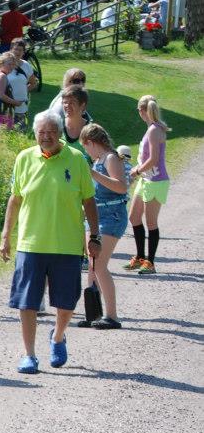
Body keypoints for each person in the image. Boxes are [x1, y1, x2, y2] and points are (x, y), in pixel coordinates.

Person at [0, 110, 101, 374]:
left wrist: (95, 236)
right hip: (30, 244)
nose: (46, 137)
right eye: (41, 133)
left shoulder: (76, 159)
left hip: (66, 244)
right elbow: (15, 199)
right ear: (35, 134)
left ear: (60, 134)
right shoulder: (24, 158)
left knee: (66, 303)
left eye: (51, 132)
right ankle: (29, 355)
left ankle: (57, 336)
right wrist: (6, 235)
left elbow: (89, 200)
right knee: (27, 302)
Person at [78, 123, 127, 329]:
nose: (86, 151)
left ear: (91, 142)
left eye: (85, 146)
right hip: (97, 217)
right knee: (92, 265)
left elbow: (121, 186)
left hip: (112, 217)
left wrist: (93, 173)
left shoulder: (110, 158)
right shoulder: (98, 160)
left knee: (99, 265)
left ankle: (112, 316)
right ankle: (93, 314)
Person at [126, 94, 170, 274]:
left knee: (151, 223)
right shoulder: (152, 128)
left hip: (156, 182)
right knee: (134, 217)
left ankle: (150, 263)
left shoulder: (154, 130)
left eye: (138, 110)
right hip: (146, 179)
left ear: (142, 110)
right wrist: (138, 169)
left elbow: (153, 159)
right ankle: (140, 257)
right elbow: (148, 159)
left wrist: (136, 170)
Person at [7, 38, 38, 129]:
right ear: (11, 50)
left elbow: (33, 83)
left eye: (20, 50)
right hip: (5, 106)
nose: (18, 52)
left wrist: (24, 91)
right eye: (16, 49)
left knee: (20, 132)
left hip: (21, 107)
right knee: (4, 132)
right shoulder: (4, 64)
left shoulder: (26, 66)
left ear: (23, 52)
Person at [0, 53, 21, 129]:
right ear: (2, 63)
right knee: (4, 132)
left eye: (13, 64)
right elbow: (0, 95)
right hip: (3, 112)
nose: (12, 67)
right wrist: (16, 102)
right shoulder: (2, 76)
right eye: (9, 64)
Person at [60, 85, 91, 158]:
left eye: (72, 102)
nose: (67, 105)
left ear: (82, 105)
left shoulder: (91, 132)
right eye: (65, 102)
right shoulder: (56, 127)